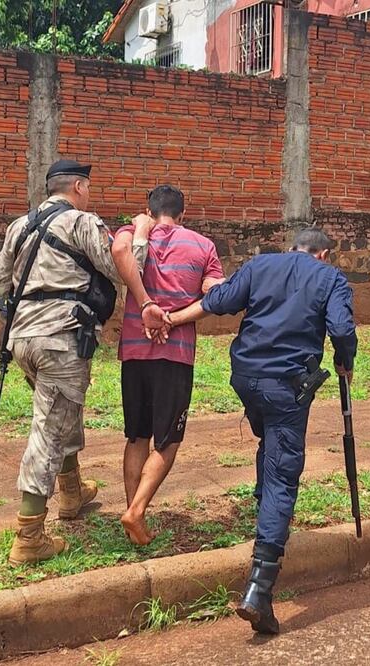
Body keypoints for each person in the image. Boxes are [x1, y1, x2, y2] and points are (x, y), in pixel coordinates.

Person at [159, 227, 358, 634]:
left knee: (270, 445)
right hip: (286, 386)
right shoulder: (331, 278)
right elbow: (341, 328)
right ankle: (259, 589)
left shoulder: (261, 263)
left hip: (245, 378)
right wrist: (345, 360)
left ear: (293, 248)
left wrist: (210, 289)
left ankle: (264, 503)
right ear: (322, 254)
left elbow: (220, 301)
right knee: (284, 471)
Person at [0, 159, 166, 565]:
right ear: (79, 188)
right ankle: (29, 536)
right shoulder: (83, 223)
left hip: (21, 339)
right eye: (88, 188)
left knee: (60, 412)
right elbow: (123, 267)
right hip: (62, 338)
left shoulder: (20, 226)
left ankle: (71, 492)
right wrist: (140, 234)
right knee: (50, 428)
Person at [111, 185, 224, 545]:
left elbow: (119, 253)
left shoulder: (129, 234)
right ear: (182, 214)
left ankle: (134, 515)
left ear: (147, 210)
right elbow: (214, 295)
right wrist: (173, 320)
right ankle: (136, 511)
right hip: (175, 354)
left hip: (134, 350)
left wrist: (149, 310)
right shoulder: (202, 246)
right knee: (169, 439)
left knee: (137, 435)